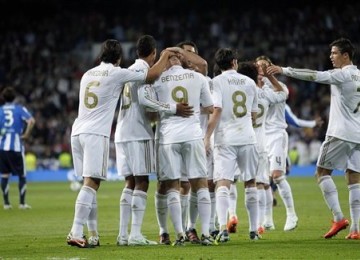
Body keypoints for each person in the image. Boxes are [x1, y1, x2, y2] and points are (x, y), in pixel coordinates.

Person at [66, 38, 176, 248]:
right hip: (96, 134)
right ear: (118, 58)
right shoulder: (117, 73)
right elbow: (151, 75)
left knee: (88, 183)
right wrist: (165, 55)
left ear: (100, 56)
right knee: (93, 183)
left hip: (77, 131)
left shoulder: (87, 74)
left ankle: (93, 234)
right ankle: (76, 231)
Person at [267, 37, 360, 240]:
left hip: (340, 133)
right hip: (358, 134)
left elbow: (313, 75)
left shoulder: (342, 75)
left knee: (321, 173)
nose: (331, 57)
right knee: (354, 179)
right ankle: (355, 229)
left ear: (346, 55)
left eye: (334, 53)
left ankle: (338, 217)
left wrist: (284, 70)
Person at [114, 35, 192, 246]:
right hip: (138, 133)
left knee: (130, 182)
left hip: (122, 132)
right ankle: (135, 234)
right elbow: (147, 100)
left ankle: (123, 234)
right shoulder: (141, 71)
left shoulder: (130, 70)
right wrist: (173, 108)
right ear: (154, 53)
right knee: (142, 181)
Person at [151, 54, 214, 246]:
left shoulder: (158, 79)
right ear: (180, 61)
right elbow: (210, 107)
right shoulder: (198, 77)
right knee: (200, 184)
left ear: (165, 62)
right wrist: (194, 108)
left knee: (172, 186)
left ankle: (178, 235)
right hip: (193, 135)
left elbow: (152, 112)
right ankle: (205, 234)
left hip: (168, 137)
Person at [205, 48, 260, 241]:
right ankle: (254, 231)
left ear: (219, 66)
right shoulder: (250, 82)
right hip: (247, 137)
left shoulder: (216, 82)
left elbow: (217, 109)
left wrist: (206, 136)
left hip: (225, 139)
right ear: (235, 62)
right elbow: (254, 115)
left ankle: (222, 228)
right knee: (250, 182)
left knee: (223, 183)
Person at [237, 61, 287, 235]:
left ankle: (229, 219)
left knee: (230, 182)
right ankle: (263, 222)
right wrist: (270, 77)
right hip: (260, 140)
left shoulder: (239, 92)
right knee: (261, 182)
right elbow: (283, 93)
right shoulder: (265, 94)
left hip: (239, 139)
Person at [256, 55, 299, 232]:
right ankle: (267, 220)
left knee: (277, 176)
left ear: (272, 67)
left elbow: (283, 93)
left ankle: (291, 214)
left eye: (265, 66)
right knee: (263, 180)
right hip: (260, 136)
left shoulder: (278, 87)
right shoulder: (253, 87)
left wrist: (270, 76)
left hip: (277, 135)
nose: (261, 70)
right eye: (258, 67)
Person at [0, 87, 35, 210]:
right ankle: (22, 203)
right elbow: (31, 121)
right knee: (22, 176)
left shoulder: (0, 110)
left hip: (3, 147)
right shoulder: (19, 109)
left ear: (3, 98)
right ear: (14, 98)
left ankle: (6, 204)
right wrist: (26, 134)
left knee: (4, 175)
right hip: (16, 147)